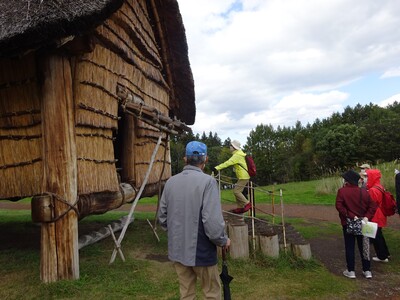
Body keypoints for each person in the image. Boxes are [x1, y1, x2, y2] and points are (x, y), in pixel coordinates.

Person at [158, 141, 231, 300]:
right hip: (202, 252)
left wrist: (177, 234)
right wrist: (222, 240)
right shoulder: (208, 182)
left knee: (186, 294)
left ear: (185, 158)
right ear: (205, 160)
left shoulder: (170, 182)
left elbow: (162, 217)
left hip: (178, 250)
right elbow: (212, 223)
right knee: (211, 293)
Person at [335, 170, 377, 279]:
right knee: (364, 246)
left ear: (347, 181)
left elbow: (339, 206)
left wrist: (349, 215)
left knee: (350, 247)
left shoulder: (342, 191)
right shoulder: (364, 192)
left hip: (348, 223)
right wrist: (367, 217)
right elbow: (372, 206)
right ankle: (367, 270)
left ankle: (351, 271)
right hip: (364, 222)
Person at [213, 140, 251, 214]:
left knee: (236, 191)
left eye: (231, 146)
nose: (229, 147)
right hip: (243, 176)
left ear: (234, 147)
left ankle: (247, 204)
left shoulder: (237, 155)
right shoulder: (239, 154)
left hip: (243, 176)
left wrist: (216, 168)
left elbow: (227, 163)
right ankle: (240, 207)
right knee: (238, 191)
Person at [365, 168, 391, 262]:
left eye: (368, 176)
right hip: (380, 213)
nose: (366, 178)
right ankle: (385, 253)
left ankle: (382, 256)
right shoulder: (379, 186)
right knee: (379, 234)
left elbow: (371, 204)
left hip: (375, 215)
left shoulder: (373, 190)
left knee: (376, 236)